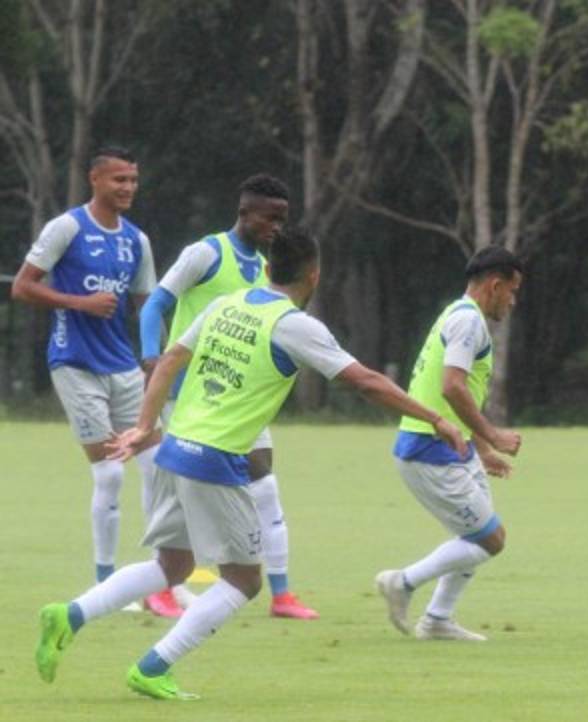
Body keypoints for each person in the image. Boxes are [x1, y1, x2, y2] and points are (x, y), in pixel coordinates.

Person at [35, 226, 466, 700]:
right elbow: (365, 381)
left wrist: (143, 426)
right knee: (243, 580)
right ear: (314, 275)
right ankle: (154, 665)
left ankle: (70, 614)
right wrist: (434, 419)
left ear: (265, 268)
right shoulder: (294, 324)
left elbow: (171, 356)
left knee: (172, 565)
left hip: (175, 448)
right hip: (215, 460)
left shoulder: (227, 305)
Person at [139, 173, 317, 619]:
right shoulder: (206, 253)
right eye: (270, 218)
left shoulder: (267, 268)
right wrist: (150, 361)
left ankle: (281, 594)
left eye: (284, 219)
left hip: (236, 399)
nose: (277, 227)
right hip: (188, 396)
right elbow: (155, 304)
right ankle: (161, 582)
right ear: (245, 213)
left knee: (266, 484)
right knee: (180, 496)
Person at [10, 146, 162, 588]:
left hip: (124, 368)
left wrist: (156, 361)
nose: (128, 188)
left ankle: (161, 577)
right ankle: (105, 583)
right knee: (112, 473)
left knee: (158, 465)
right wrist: (80, 302)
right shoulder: (67, 228)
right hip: (74, 363)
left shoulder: (137, 239)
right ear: (95, 180)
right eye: (119, 180)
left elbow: (145, 305)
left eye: (133, 180)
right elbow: (22, 287)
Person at [375, 245, 523, 642]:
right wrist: (493, 434)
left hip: (449, 446)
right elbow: (451, 387)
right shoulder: (467, 323)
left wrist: (482, 448)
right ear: (494, 285)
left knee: (477, 532)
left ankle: (438, 619)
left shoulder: (459, 315)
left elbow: (458, 395)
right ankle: (402, 583)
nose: (513, 302)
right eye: (512, 291)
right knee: (490, 539)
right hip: (430, 449)